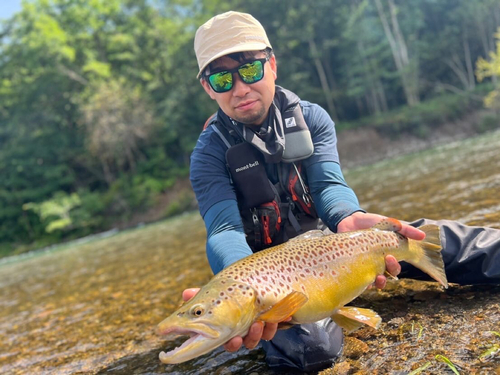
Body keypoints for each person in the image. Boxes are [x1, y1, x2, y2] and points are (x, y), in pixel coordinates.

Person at [185, 10, 500, 372]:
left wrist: (351, 218)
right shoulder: (208, 155)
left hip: (329, 248)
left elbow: (330, 189)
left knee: (420, 238)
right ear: (208, 88)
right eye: (222, 79)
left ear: (272, 65)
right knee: (312, 351)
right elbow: (225, 230)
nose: (240, 88)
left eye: (251, 71)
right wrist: (243, 286)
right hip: (272, 279)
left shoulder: (312, 118)